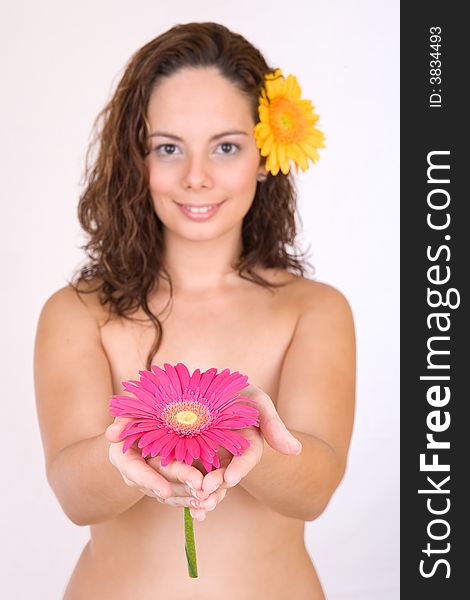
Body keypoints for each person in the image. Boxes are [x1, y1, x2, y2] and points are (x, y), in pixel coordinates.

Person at [34, 22, 355, 600]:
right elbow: (74, 496)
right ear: (136, 156)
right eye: (169, 148)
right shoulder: (76, 313)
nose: (197, 177)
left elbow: (316, 490)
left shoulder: (316, 310)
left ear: (265, 156)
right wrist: (134, 448)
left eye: (226, 146)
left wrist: (246, 441)